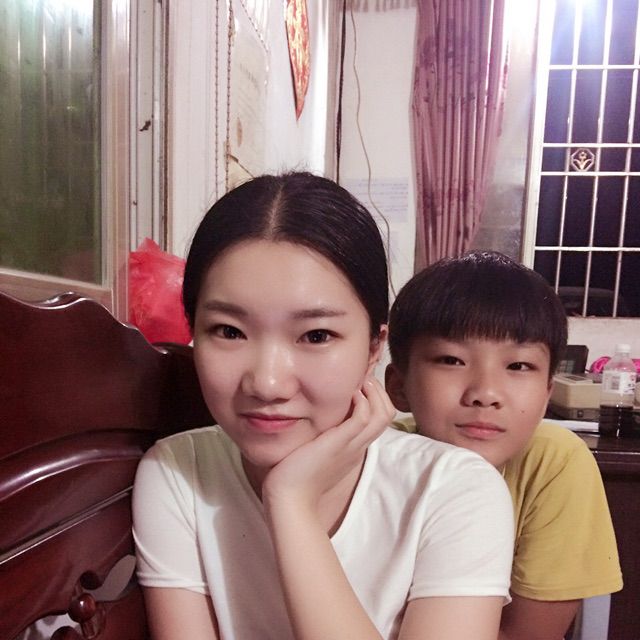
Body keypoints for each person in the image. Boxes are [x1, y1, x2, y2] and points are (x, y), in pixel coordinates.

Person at [132, 173, 514, 640]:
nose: (267, 383)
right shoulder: (178, 472)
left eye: (316, 335)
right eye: (229, 331)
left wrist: (290, 502)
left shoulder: (455, 490)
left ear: (373, 348)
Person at [385, 251, 623, 640]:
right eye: (451, 360)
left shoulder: (553, 462)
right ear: (398, 385)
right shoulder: (376, 457)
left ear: (547, 393)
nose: (486, 393)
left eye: (518, 366)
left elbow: (526, 635)